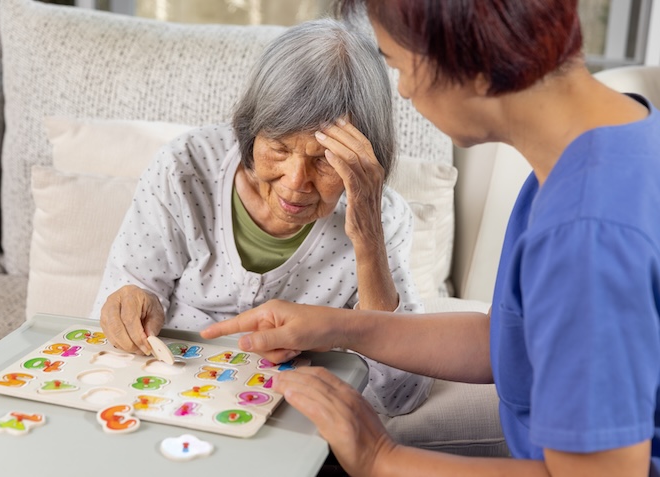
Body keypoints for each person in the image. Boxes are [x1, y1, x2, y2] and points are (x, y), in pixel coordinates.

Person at [202, 1, 660, 476]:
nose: (400, 89)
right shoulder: (609, 145)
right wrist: (335, 326)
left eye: (399, 64)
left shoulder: (586, 233)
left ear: (472, 60)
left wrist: (382, 458)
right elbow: (505, 341)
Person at [91, 18, 432, 417]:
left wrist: (369, 240)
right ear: (251, 131)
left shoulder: (384, 221)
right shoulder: (185, 168)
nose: (295, 182)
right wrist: (133, 303)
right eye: (280, 148)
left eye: (324, 160)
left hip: (292, 415)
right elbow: (121, 305)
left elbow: (401, 395)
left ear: (364, 158)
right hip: (168, 394)